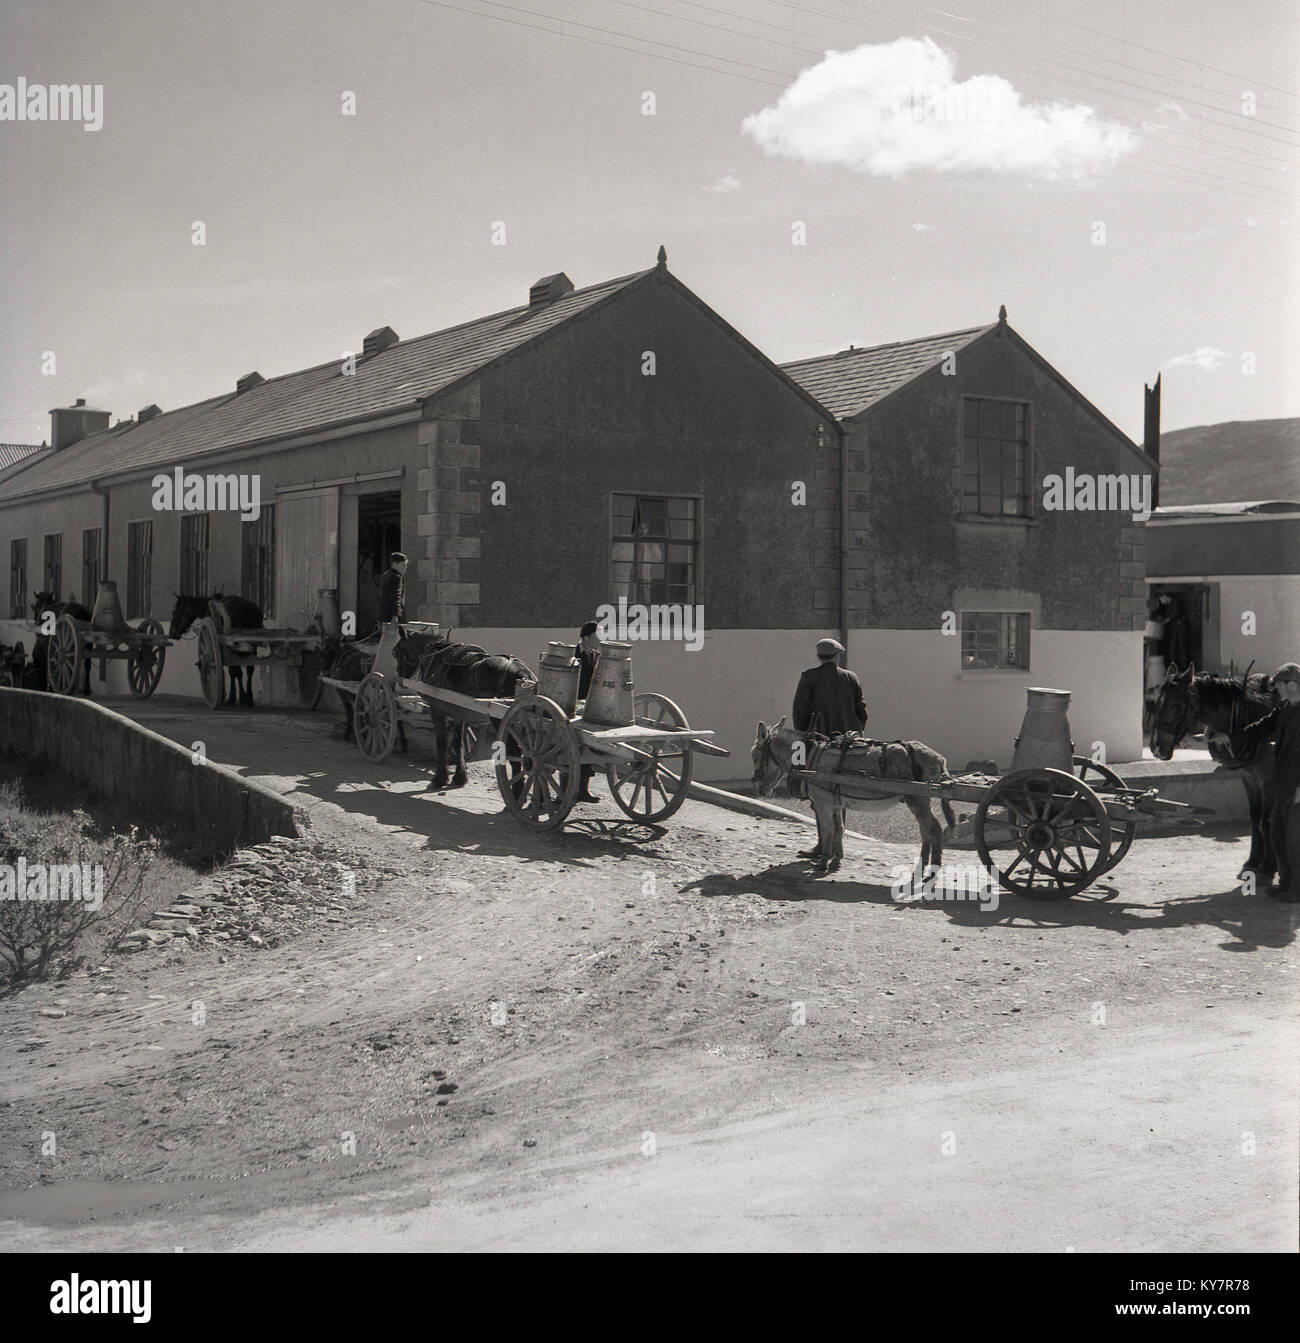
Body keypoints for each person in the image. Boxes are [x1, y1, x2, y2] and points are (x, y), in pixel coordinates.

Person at [1212, 661, 1300, 899]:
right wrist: (1230, 736)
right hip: (1283, 783)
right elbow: (1261, 728)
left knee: (1296, 839)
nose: (1276, 691)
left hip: (1298, 786)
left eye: (1279, 685)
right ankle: (1286, 883)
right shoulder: (1283, 707)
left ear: (1292, 684)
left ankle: (1298, 890)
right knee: (1278, 834)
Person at [793, 638, 868, 737]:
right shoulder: (851, 677)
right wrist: (858, 731)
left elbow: (799, 709)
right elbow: (862, 712)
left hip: (819, 740)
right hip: (849, 741)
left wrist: (803, 731)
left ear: (818, 657)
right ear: (837, 657)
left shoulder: (808, 677)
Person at [574, 621, 601, 803]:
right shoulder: (573, 655)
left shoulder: (596, 656)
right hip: (572, 705)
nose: (599, 640)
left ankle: (583, 790)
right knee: (572, 746)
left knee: (589, 744)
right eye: (597, 636)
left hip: (588, 706)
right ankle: (567, 790)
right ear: (587, 637)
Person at [379, 552, 408, 633]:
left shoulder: (386, 575)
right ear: (395, 564)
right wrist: (395, 616)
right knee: (393, 640)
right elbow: (396, 596)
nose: (405, 567)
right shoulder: (397, 577)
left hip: (385, 615)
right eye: (403, 565)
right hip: (393, 617)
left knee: (388, 639)